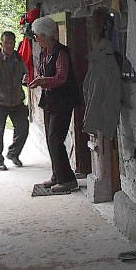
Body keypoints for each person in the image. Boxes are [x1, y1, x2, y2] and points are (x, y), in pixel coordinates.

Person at [28, 17, 80, 193]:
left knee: (55, 139)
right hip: (50, 100)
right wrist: (37, 78)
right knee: (51, 140)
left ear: (45, 35)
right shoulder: (45, 53)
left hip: (63, 101)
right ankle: (57, 176)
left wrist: (42, 81)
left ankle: (68, 180)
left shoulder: (61, 53)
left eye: (37, 36)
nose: (36, 39)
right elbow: (41, 71)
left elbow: (61, 78)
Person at [0, 31, 29, 171]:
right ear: (1, 43)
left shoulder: (18, 58)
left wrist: (26, 79)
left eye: (12, 43)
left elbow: (25, 75)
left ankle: (13, 153)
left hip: (16, 100)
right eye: (6, 43)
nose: (9, 46)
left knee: (23, 128)